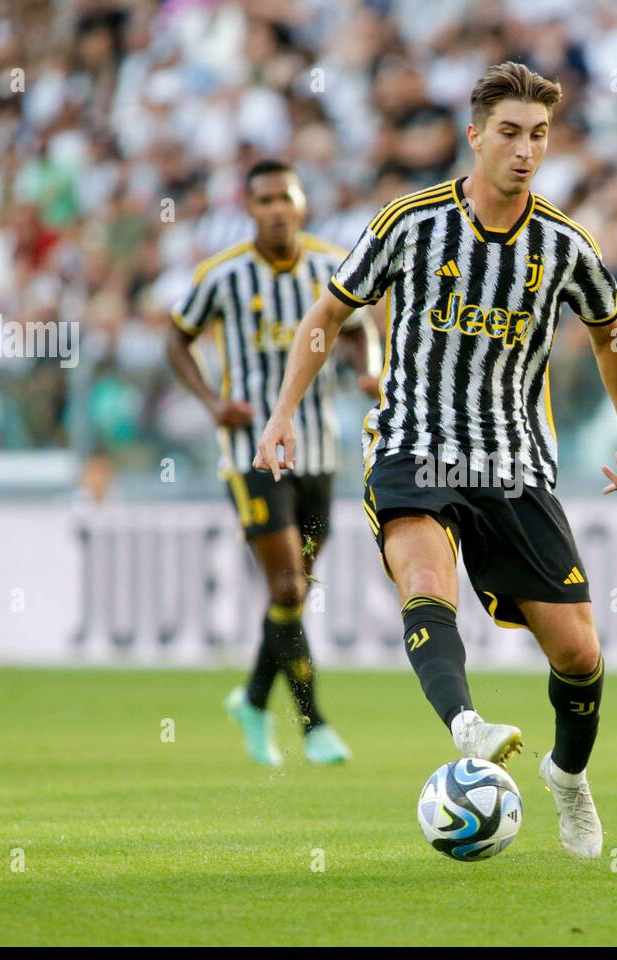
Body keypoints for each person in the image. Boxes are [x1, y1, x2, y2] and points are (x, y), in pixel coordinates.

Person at [256, 63, 617, 857]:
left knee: (578, 652)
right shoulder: (411, 221)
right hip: (413, 442)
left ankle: (568, 778)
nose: (525, 150)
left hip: (514, 461)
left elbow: (611, 332)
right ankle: (465, 724)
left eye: (538, 135)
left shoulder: (564, 244)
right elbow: (330, 312)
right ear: (475, 136)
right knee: (426, 580)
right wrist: (285, 411)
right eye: (509, 132)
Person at [167, 159, 380, 767]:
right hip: (251, 453)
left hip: (317, 448)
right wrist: (212, 402)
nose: (276, 209)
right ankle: (314, 724)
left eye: (285, 197)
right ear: (249, 209)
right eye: (263, 200)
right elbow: (175, 338)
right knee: (287, 583)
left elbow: (359, 325)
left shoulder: (328, 266)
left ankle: (253, 699)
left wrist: (369, 367)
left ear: (302, 204)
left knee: (294, 591)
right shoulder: (223, 275)